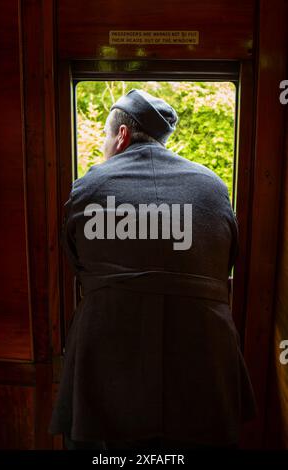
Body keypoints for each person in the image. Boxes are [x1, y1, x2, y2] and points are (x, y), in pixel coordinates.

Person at [49, 89, 257, 450]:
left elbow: (77, 264)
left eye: (105, 137)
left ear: (122, 136)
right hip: (203, 367)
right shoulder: (213, 187)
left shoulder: (89, 186)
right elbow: (226, 261)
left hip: (105, 371)